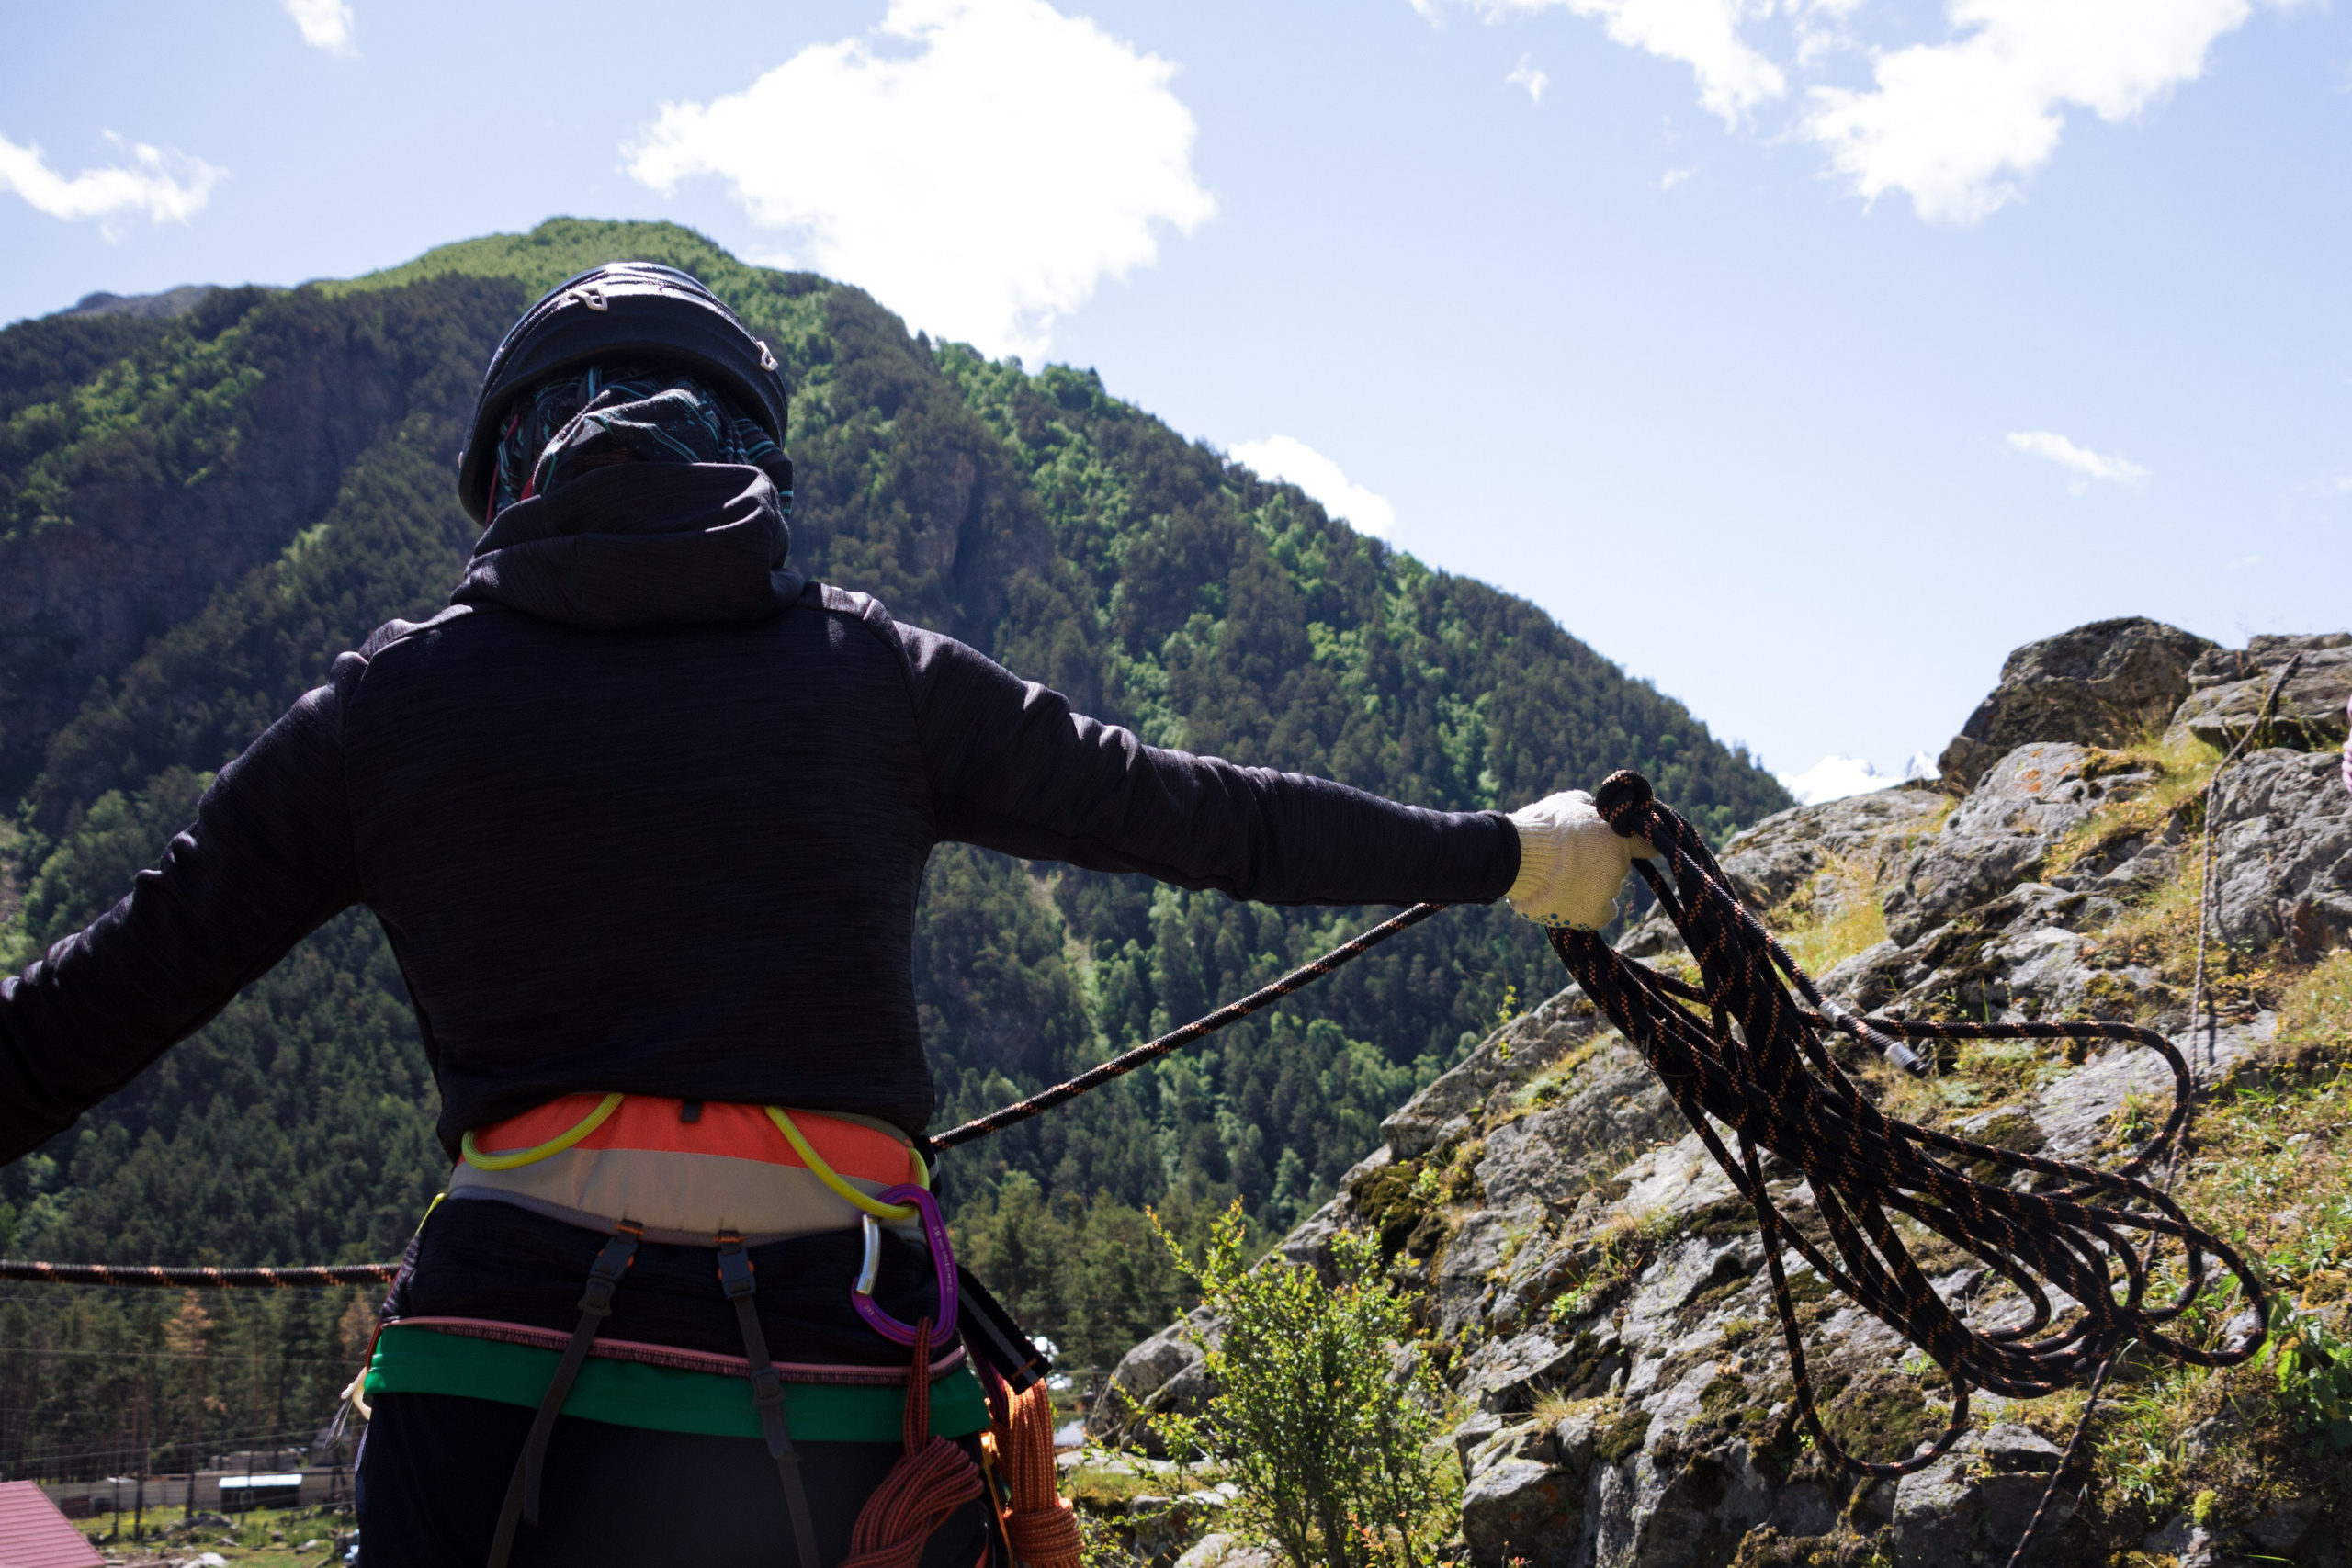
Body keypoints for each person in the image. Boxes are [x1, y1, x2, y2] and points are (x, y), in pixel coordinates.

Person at [0, 264, 1652, 1567]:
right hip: (847, 1383)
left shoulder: (388, 706)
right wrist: (1521, 855)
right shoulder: (878, 676)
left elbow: (106, 994)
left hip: (492, 1385)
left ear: (506, 476)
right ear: (753, 460)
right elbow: (1210, 819)